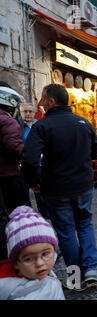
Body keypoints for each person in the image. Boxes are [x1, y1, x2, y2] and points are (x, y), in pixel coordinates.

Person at [22, 84, 97, 288]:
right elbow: (96, 153)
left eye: (42, 99)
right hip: (83, 185)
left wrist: (34, 183)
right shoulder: (83, 123)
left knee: (66, 232)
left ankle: (75, 279)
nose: (40, 104)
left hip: (57, 189)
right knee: (84, 224)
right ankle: (90, 269)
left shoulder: (42, 126)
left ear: (51, 101)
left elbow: (30, 160)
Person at [0, 206, 65, 300]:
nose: (40, 263)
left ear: (53, 251)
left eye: (45, 254)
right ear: (15, 263)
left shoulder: (48, 276)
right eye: (28, 259)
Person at [0, 84, 30, 261]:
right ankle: (25, 247)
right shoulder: (8, 121)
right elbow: (15, 148)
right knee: (21, 214)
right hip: (10, 175)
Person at [20, 103, 49, 219]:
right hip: (23, 163)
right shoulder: (18, 126)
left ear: (34, 113)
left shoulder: (40, 125)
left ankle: (44, 214)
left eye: (30, 112)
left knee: (39, 189)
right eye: (25, 111)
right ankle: (27, 216)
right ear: (21, 113)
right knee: (24, 191)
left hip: (39, 163)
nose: (27, 114)